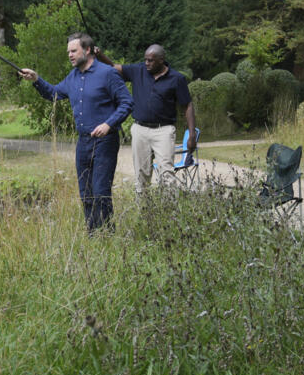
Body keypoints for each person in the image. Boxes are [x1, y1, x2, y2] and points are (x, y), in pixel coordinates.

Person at [19, 33, 134, 232]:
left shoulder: (107, 73)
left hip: (105, 141)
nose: (70, 55)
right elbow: (53, 93)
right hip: (83, 143)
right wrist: (36, 79)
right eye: (68, 52)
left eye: (74, 51)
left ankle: (107, 235)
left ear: (87, 50)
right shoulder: (73, 76)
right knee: (86, 194)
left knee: (100, 192)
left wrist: (109, 124)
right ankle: (93, 235)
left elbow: (127, 102)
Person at [96, 44, 196, 194]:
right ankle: (144, 213)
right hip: (140, 130)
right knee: (141, 175)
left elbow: (187, 105)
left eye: (151, 60)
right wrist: (99, 55)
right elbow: (112, 67)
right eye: (145, 60)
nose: (147, 63)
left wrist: (192, 134)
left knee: (166, 173)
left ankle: (170, 213)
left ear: (161, 60)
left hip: (164, 130)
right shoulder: (138, 70)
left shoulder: (177, 79)